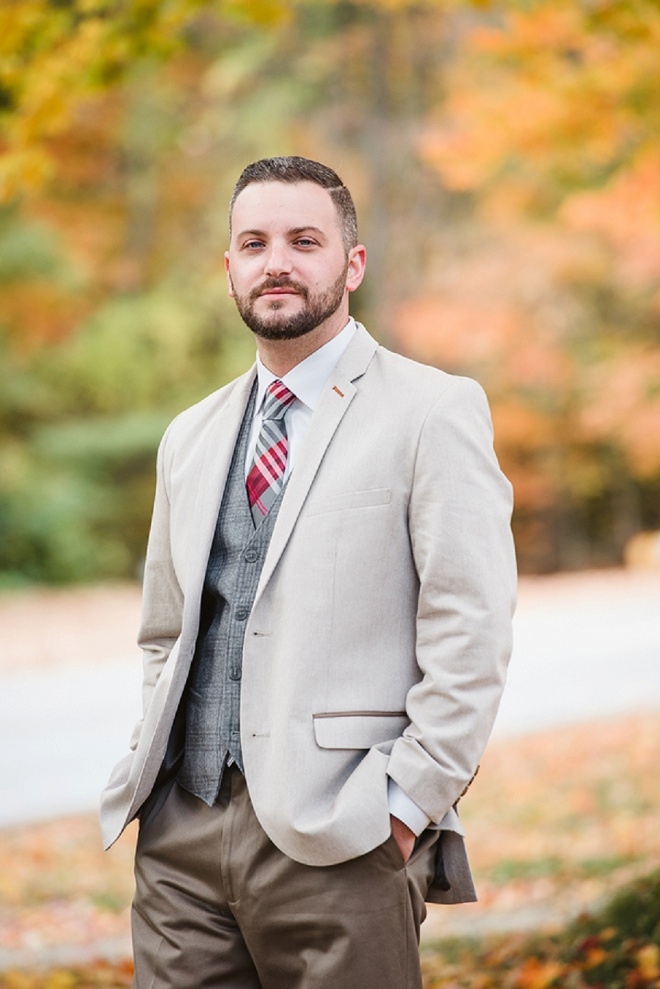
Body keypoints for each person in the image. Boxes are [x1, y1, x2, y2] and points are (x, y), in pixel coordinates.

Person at [100, 155, 517, 989]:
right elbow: (164, 627)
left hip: (344, 835)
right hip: (181, 839)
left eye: (304, 240)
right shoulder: (190, 433)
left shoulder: (433, 411)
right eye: (253, 243)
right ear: (229, 270)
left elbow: (469, 632)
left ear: (351, 263)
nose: (276, 262)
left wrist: (402, 810)